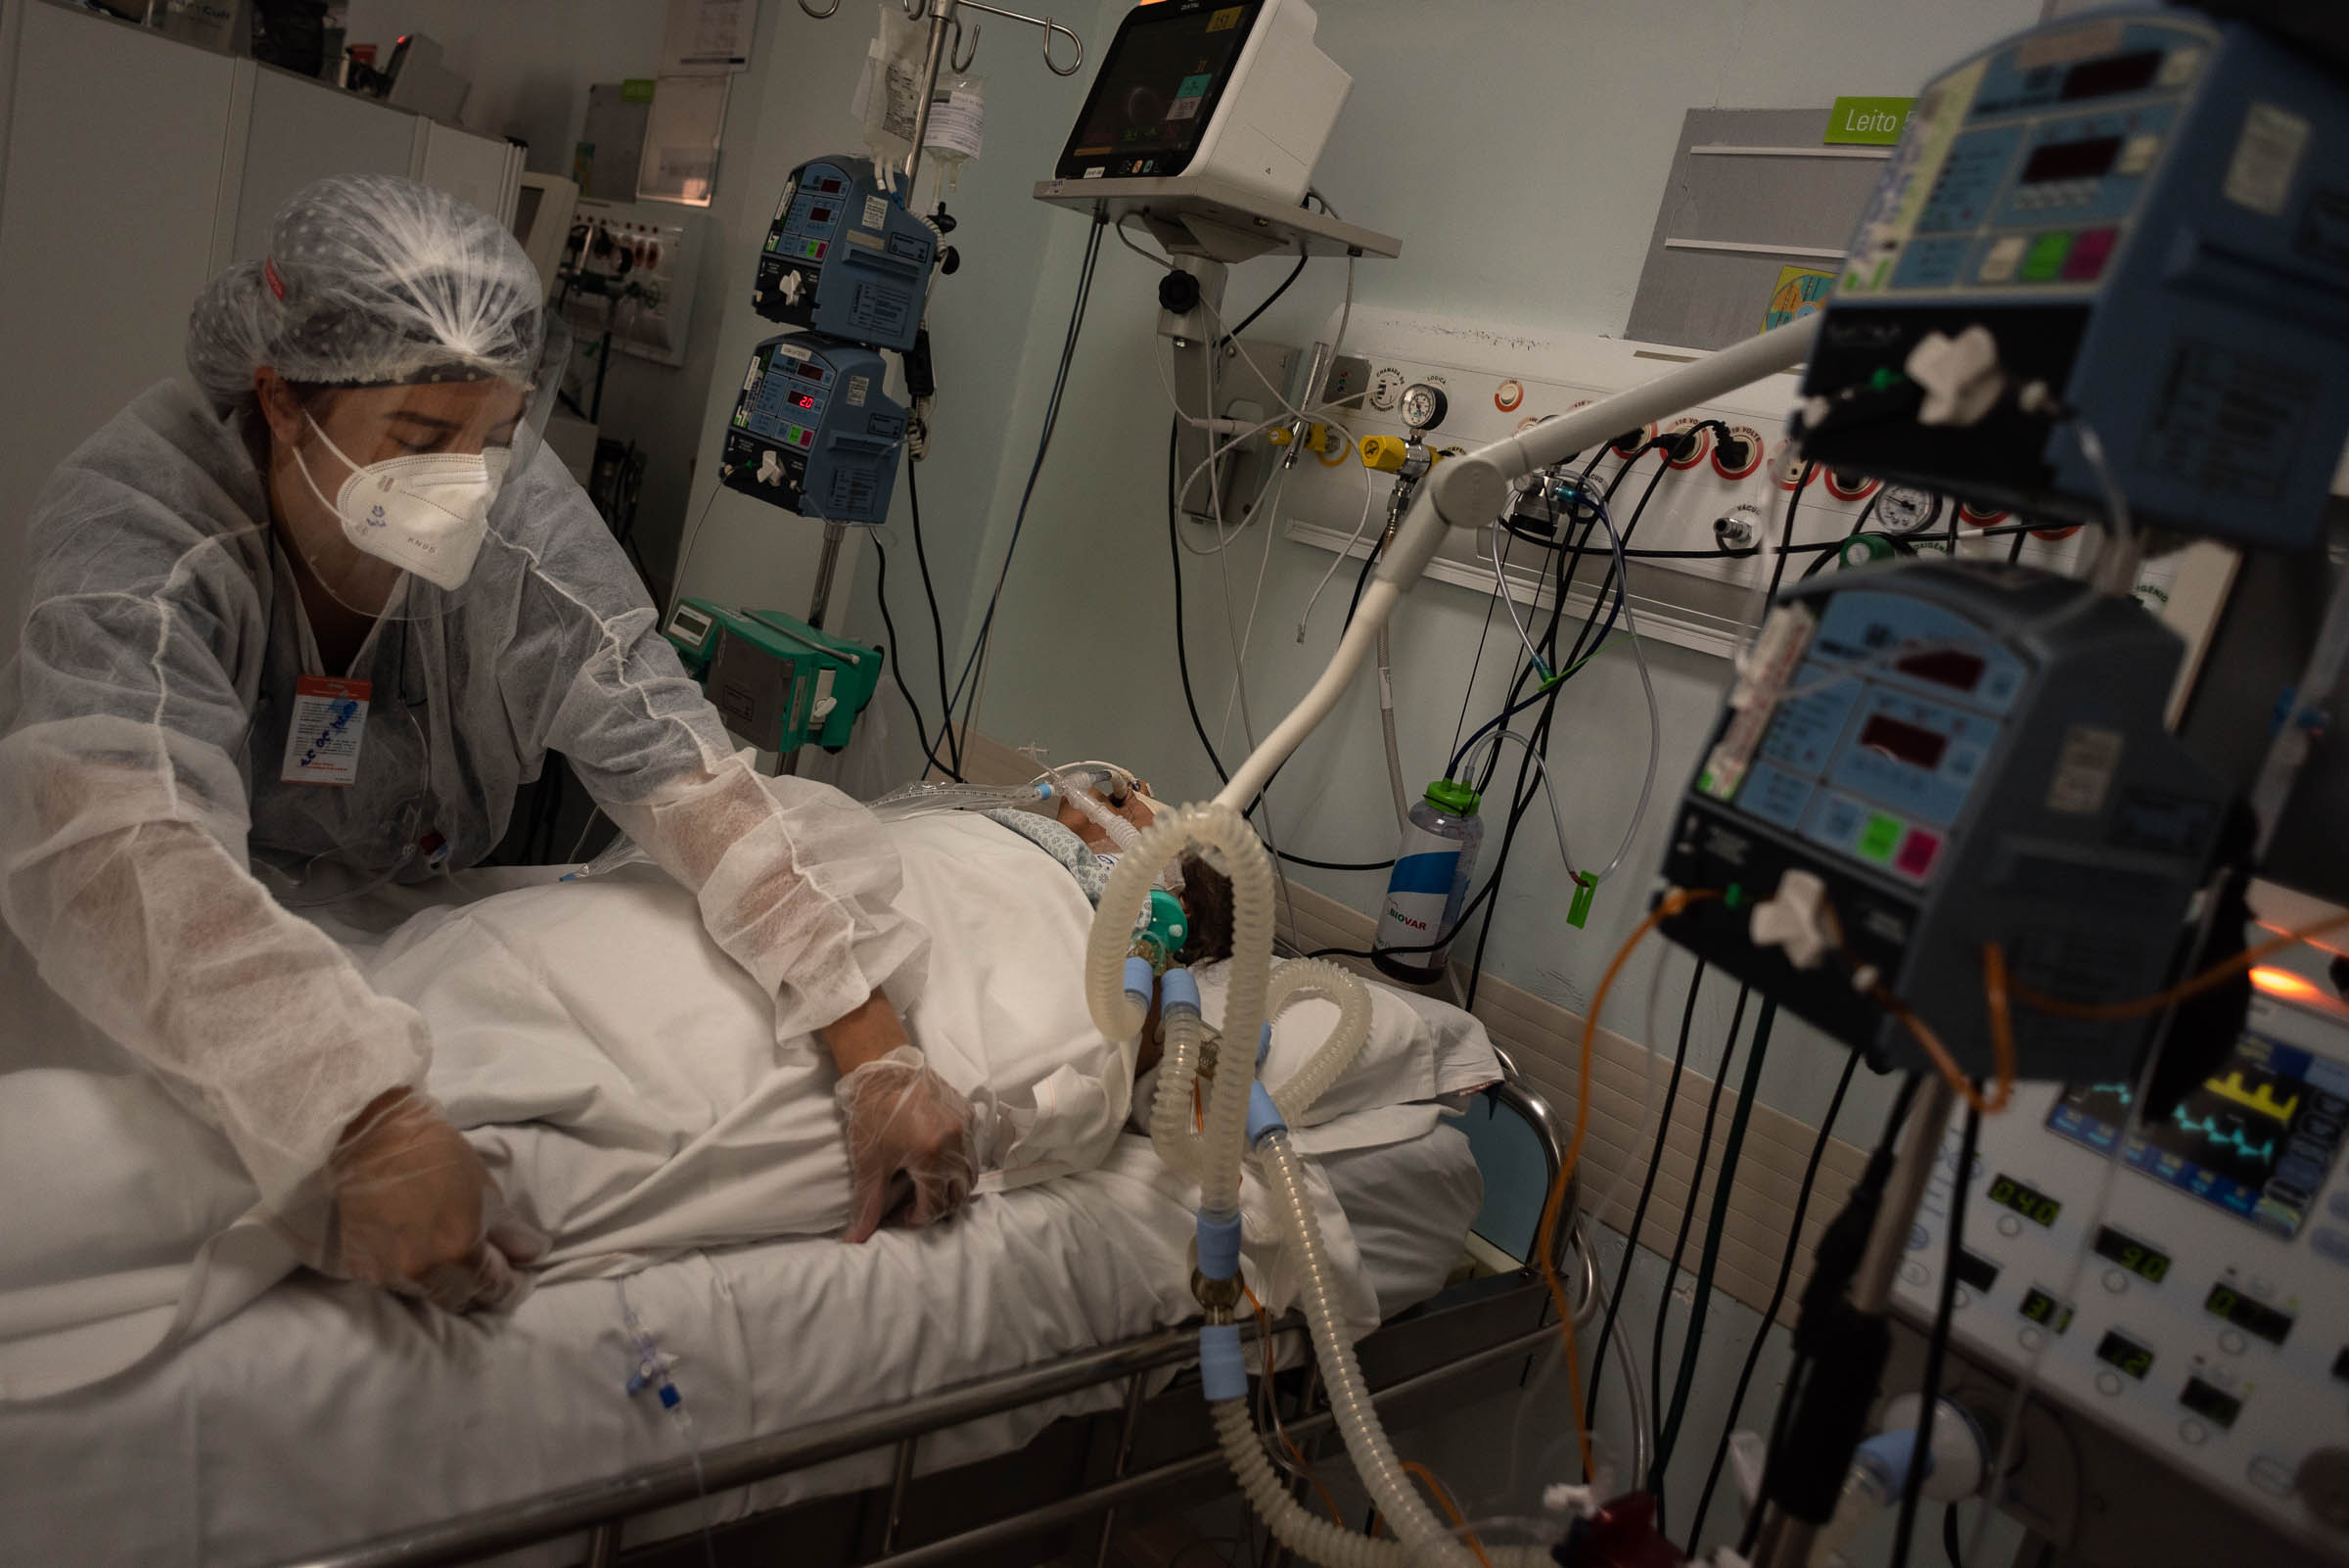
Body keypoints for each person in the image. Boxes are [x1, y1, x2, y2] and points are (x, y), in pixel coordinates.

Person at [0, 173, 976, 1314]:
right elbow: (120, 839)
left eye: (498, 435)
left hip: (408, 927)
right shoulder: (146, 529)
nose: (463, 484)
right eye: (418, 435)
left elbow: (670, 755)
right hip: (164, 960)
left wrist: (868, 1033)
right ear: (278, 400)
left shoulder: (507, 514)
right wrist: (354, 1118)